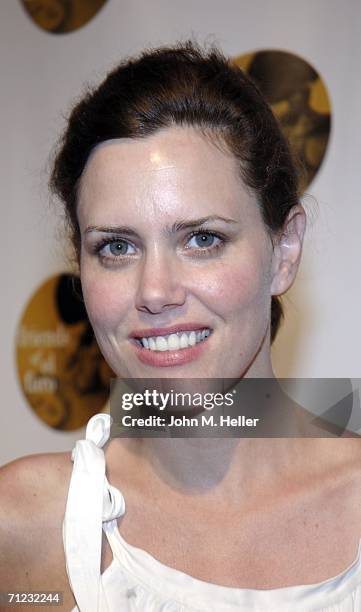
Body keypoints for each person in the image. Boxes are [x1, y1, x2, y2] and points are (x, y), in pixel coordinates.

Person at [1, 41, 361, 611]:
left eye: (201, 239)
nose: (155, 292)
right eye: (116, 246)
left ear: (284, 250)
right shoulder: (23, 524)